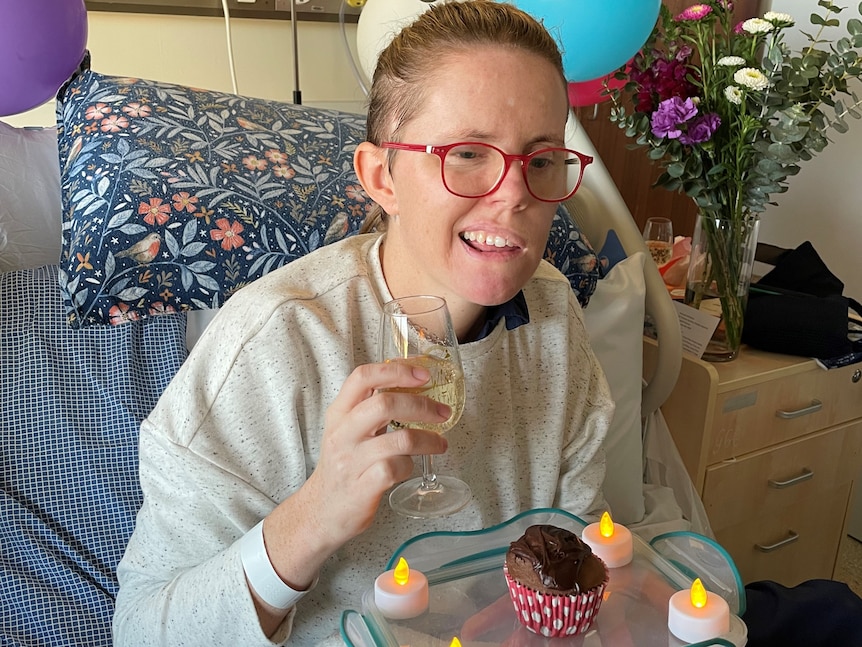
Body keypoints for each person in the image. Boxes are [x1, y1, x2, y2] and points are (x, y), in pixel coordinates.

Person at [112, 2, 614, 645]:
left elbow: (581, 553)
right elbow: (141, 632)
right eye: (466, 153)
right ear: (382, 178)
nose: (514, 193)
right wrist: (316, 515)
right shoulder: (273, 346)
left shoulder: (553, 315)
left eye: (540, 160)